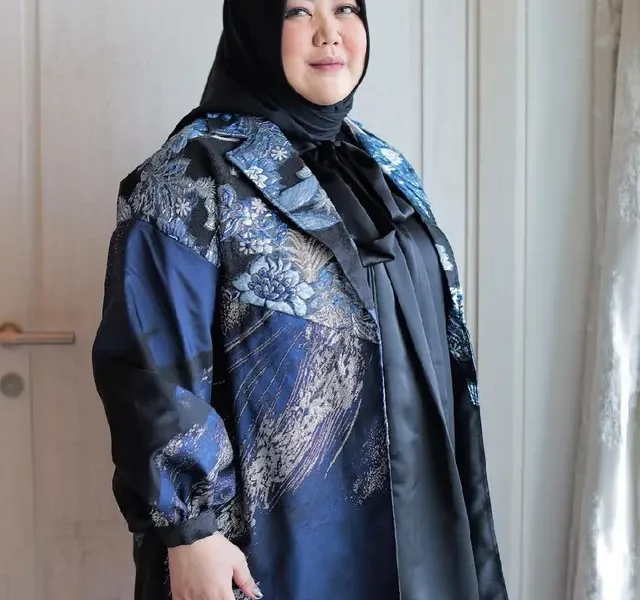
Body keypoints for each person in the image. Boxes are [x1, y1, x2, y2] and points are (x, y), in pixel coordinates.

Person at [92, 0, 509, 598]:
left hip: (418, 511)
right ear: (255, 29)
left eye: (345, 8)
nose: (329, 33)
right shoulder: (190, 176)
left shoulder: (383, 165)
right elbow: (148, 367)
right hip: (279, 543)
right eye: (297, 11)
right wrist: (191, 533)